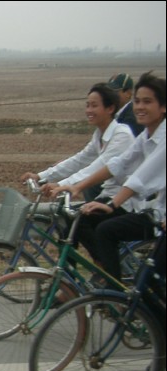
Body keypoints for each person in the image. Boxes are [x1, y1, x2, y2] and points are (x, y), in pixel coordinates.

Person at [51, 71, 166, 283]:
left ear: (163, 107)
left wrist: (112, 204)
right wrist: (76, 187)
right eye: (137, 101)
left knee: (107, 231)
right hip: (155, 212)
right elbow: (117, 164)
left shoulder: (154, 137)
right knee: (79, 223)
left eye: (147, 102)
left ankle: (112, 288)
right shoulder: (147, 135)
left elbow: (141, 176)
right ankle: (83, 281)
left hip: (147, 211)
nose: (139, 107)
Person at [20, 83, 136, 254]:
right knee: (68, 226)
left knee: (80, 221)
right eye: (87, 105)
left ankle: (103, 268)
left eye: (94, 105)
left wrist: (63, 184)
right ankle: (68, 276)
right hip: (109, 195)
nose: (89, 110)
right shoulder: (99, 135)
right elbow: (79, 160)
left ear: (110, 108)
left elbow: (97, 167)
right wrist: (41, 176)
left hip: (126, 200)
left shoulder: (121, 135)